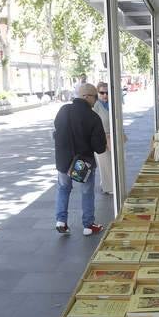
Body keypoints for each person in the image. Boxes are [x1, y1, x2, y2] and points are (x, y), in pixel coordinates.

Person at [54, 83, 107, 236]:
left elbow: (57, 129)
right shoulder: (92, 117)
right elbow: (99, 147)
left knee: (63, 188)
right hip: (82, 163)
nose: (96, 100)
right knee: (87, 192)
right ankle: (88, 225)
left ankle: (61, 221)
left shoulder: (64, 110)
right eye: (95, 97)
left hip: (63, 160)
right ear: (88, 97)